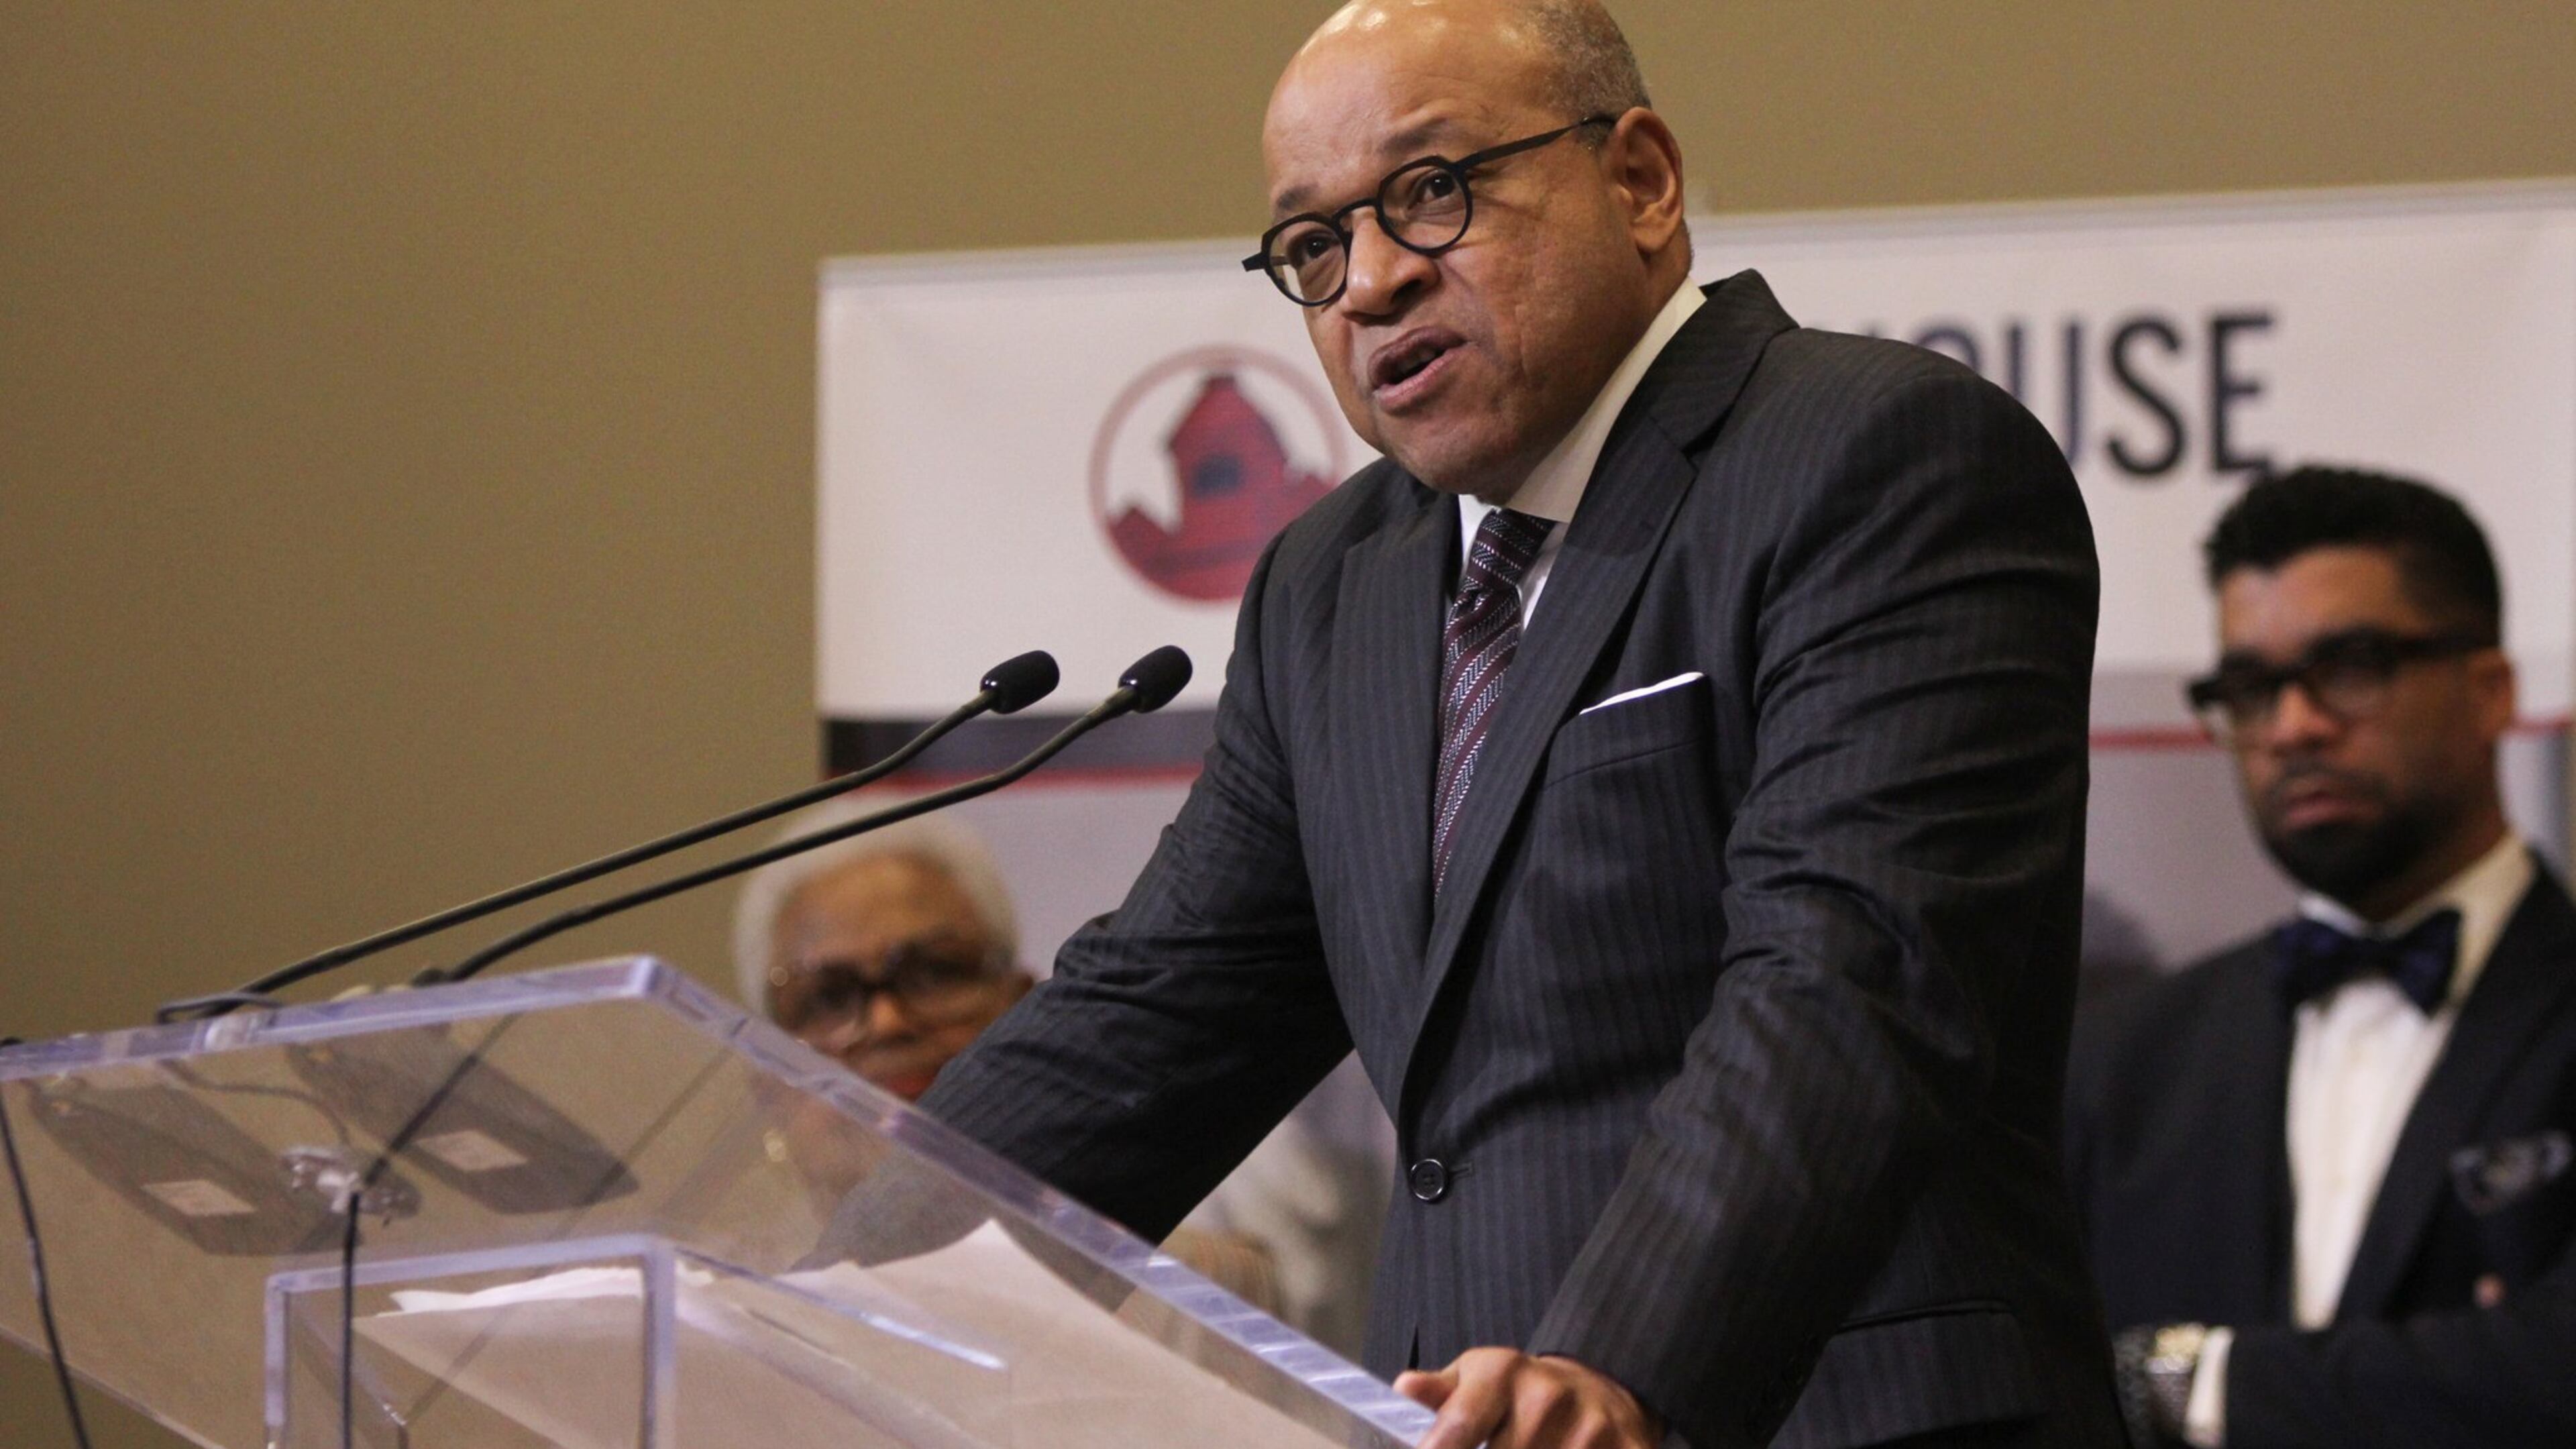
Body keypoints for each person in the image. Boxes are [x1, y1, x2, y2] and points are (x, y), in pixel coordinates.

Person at [900, 3, 2123, 1445]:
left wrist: (1618, 1365)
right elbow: (1153, 1015)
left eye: (1432, 193)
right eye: (1313, 246)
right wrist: (812, 1275)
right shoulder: (1329, 587)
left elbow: (1846, 983)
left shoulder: (1875, 459)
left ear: (1644, 181)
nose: (1367, 284)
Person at [2064, 467, 2576, 1448]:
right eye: (2250, 689)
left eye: (2352, 665)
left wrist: (2192, 1381)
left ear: (2491, 691)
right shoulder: (2121, 1066)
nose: (2294, 726)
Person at [732, 799, 1389, 1356]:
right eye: (826, 997)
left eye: (935, 972)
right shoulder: (732, 1292)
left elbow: (1273, 1305)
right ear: (768, 1083)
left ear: (1027, 1008)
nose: (887, 1020)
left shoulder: (1201, 1150)